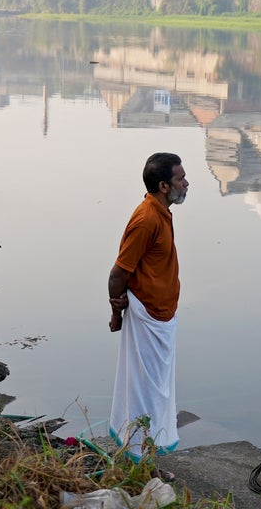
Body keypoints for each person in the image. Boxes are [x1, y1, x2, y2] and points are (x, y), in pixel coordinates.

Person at [107, 151, 189, 469]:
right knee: (146, 391)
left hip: (162, 316)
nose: (186, 182)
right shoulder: (146, 218)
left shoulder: (162, 212)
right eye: (181, 178)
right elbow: (118, 273)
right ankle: (141, 459)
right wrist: (117, 314)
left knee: (157, 390)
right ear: (164, 186)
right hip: (147, 317)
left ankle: (146, 452)